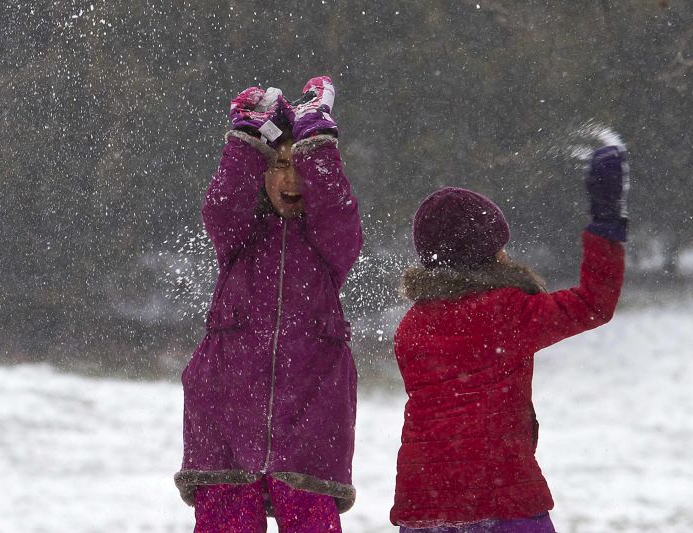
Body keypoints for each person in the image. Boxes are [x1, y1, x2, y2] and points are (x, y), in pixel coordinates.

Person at [390, 146, 629, 532]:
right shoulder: (505, 312)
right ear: (487, 253)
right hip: (501, 494)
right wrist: (605, 221)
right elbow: (593, 303)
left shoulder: (411, 327)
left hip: (425, 502)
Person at [175, 76, 363, 533]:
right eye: (278, 164)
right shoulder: (239, 238)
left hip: (311, 427)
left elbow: (338, 212)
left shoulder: (329, 247)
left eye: (300, 165)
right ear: (261, 170)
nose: (291, 177)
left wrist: (316, 141)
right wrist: (246, 140)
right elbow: (221, 205)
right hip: (224, 423)